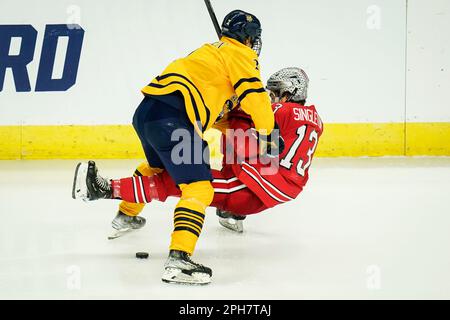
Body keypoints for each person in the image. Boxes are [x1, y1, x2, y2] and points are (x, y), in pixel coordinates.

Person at [73, 9, 277, 285]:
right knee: (199, 187)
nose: (255, 44)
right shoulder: (241, 54)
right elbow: (256, 98)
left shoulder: (208, 52)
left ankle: (126, 216)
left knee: (156, 168)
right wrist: (268, 135)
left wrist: (228, 113)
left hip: (147, 114)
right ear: (249, 38)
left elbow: (212, 111)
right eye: (254, 39)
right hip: (174, 120)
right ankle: (179, 260)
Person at [72, 67, 322, 280]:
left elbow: (252, 129)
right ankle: (230, 211)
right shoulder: (314, 118)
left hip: (262, 184)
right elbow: (266, 141)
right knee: (231, 151)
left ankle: (104, 189)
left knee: (181, 183)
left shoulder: (281, 112)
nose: (271, 98)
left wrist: (232, 105)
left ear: (290, 93)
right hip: (277, 181)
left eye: (276, 93)